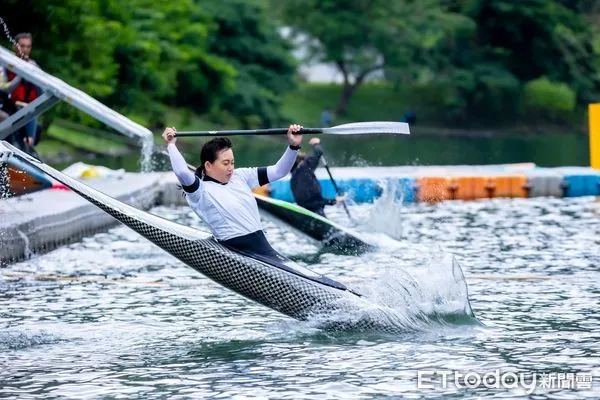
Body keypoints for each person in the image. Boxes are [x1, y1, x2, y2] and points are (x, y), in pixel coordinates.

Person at [163, 124, 303, 259]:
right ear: (208, 165)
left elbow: (279, 171)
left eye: (232, 162)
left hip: (263, 250)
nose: (230, 167)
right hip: (238, 253)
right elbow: (181, 171)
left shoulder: (240, 176)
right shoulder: (199, 190)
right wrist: (171, 145)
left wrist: (293, 146)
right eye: (225, 163)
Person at [4, 33, 42, 150]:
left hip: (27, 110)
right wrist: (22, 73)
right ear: (15, 46)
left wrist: (33, 70)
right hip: (8, 108)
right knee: (7, 142)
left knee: (28, 143)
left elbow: (40, 91)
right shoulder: (6, 63)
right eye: (22, 46)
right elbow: (6, 89)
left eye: (28, 47)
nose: (25, 49)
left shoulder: (33, 66)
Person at [290, 137, 343, 217]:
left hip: (306, 209)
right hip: (314, 209)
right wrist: (316, 144)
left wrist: (333, 201)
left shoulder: (294, 173)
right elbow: (318, 152)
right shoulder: (306, 167)